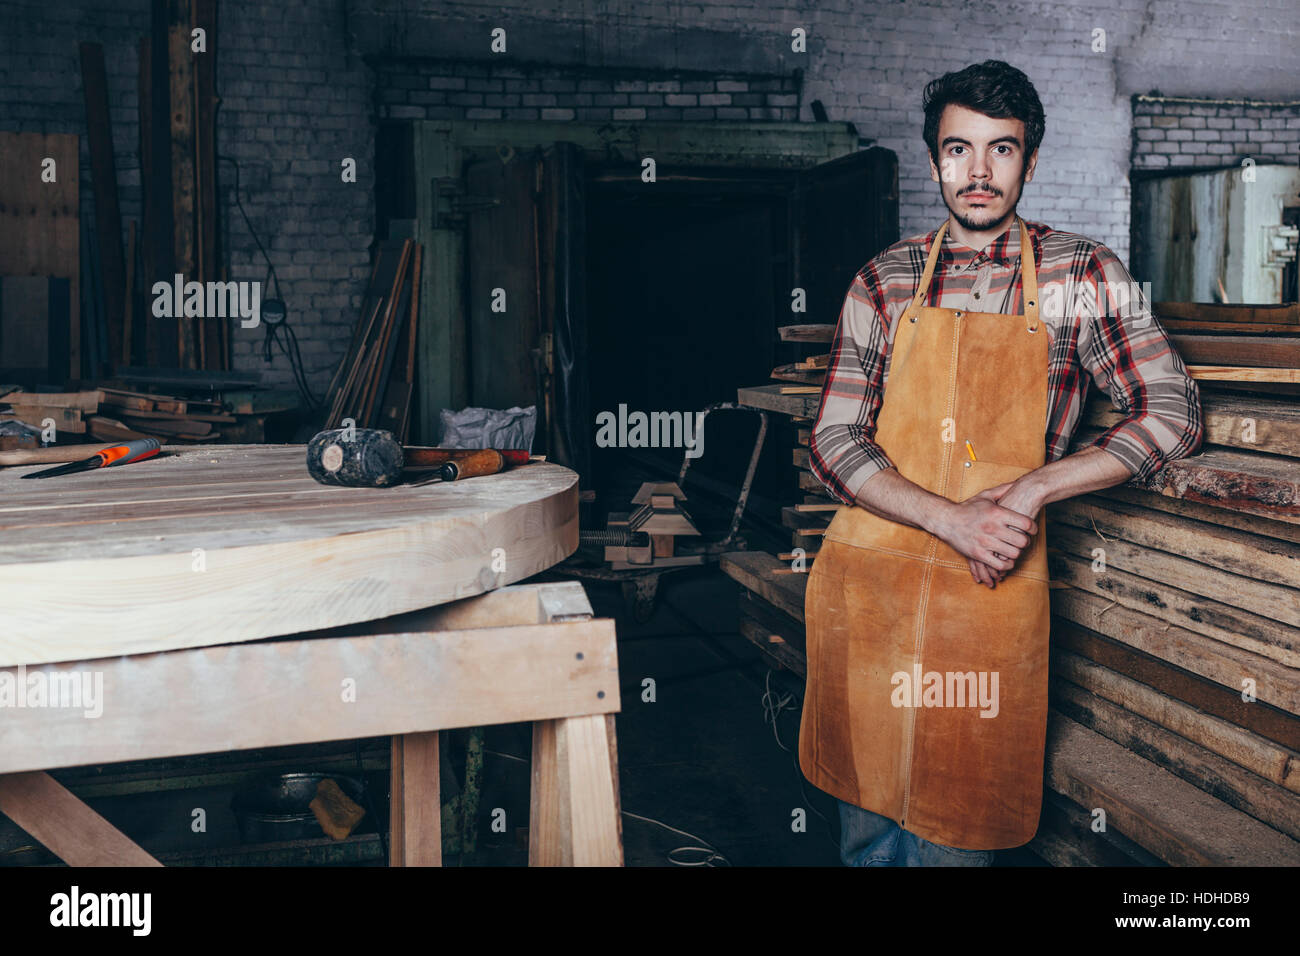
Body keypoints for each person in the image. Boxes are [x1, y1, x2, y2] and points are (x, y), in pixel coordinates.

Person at [797, 60, 1203, 867]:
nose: (978, 172)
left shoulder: (1080, 278)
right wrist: (952, 518)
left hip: (987, 593)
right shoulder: (885, 281)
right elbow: (833, 441)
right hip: (871, 587)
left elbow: (1175, 413)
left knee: (958, 832)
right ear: (933, 157)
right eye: (958, 149)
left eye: (1002, 149)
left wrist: (1037, 486)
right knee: (867, 830)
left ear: (1031, 159)